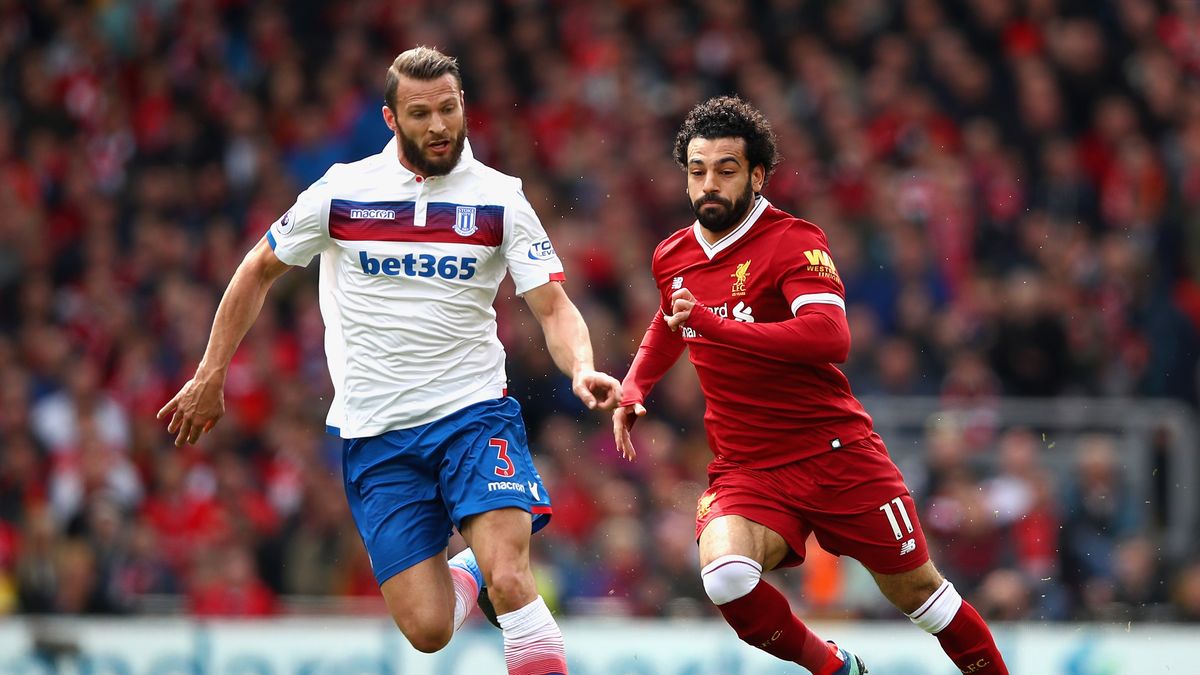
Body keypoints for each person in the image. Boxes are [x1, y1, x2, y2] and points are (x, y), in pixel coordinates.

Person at [159, 46, 622, 675]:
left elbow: (553, 306)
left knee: (512, 581)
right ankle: (470, 569)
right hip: (378, 434)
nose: (438, 126)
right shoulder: (343, 192)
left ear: (465, 107)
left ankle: (492, 568)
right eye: (421, 112)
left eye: (449, 109)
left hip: (473, 417)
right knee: (429, 631)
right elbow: (257, 270)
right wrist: (210, 374)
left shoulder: (500, 198)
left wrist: (581, 367)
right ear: (390, 118)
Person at [613, 96, 1008, 675]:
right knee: (724, 577)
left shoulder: (794, 241)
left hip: (835, 455)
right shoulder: (673, 254)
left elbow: (830, 335)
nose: (709, 185)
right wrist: (635, 386)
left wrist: (714, 324)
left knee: (924, 599)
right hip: (749, 467)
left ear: (756, 175)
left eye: (726, 170)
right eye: (697, 172)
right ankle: (835, 669)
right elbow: (672, 318)